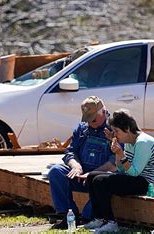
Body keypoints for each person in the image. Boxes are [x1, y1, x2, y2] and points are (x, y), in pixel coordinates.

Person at [84, 109, 154, 233]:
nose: (115, 135)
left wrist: (121, 154)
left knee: (100, 181)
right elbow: (121, 169)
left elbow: (134, 172)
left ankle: (110, 222)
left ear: (126, 129)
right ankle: (99, 218)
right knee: (92, 176)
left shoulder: (143, 142)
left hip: (148, 183)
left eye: (117, 131)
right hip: (135, 178)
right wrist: (117, 151)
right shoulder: (128, 141)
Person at [47, 96, 117, 229]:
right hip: (80, 176)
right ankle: (67, 215)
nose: (90, 123)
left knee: (88, 214)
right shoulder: (81, 129)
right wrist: (76, 165)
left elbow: (115, 162)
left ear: (103, 112)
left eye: (93, 119)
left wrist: (92, 174)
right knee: (56, 171)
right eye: (88, 119)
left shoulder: (115, 129)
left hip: (100, 178)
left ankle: (86, 217)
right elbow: (70, 152)